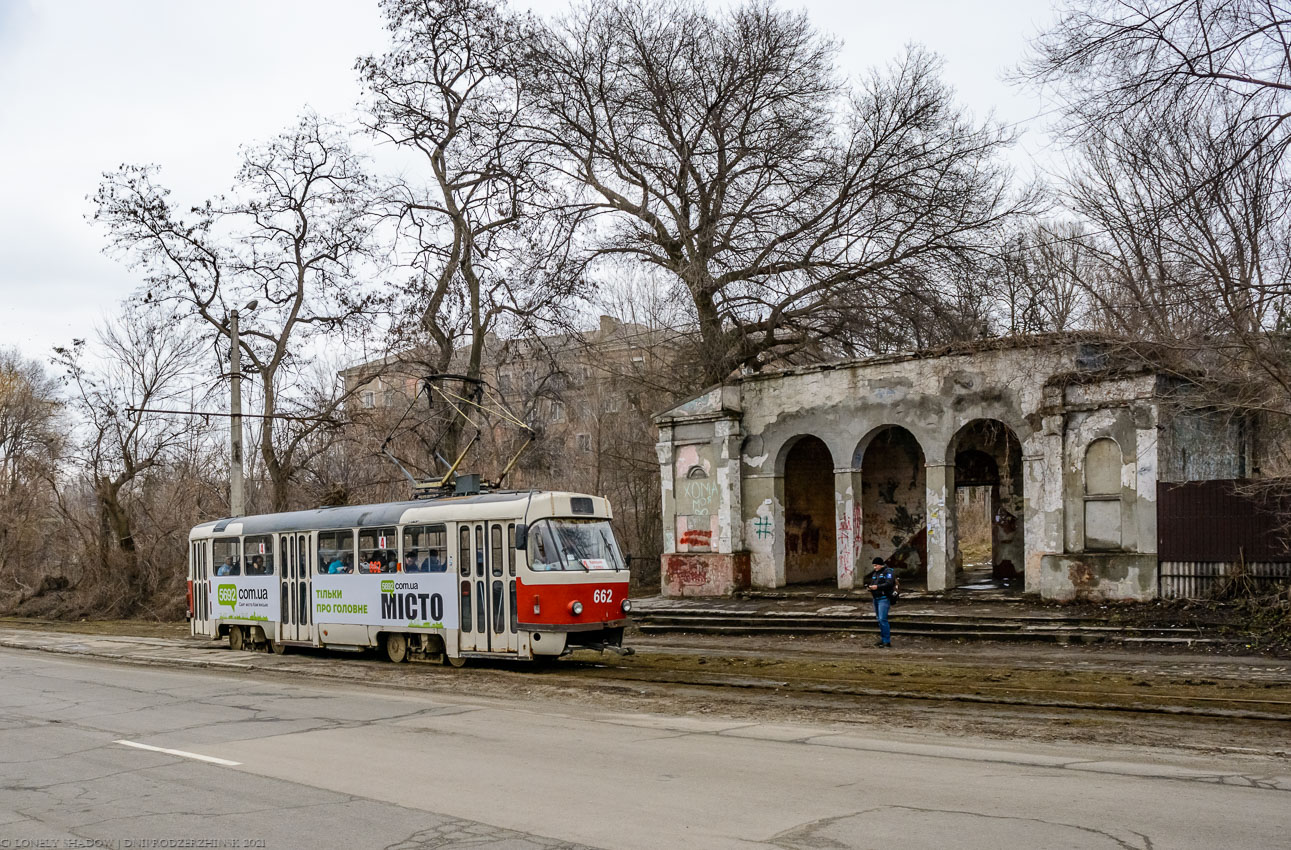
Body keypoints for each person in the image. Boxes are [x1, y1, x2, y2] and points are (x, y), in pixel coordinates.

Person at [864, 556, 897, 648]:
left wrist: (877, 587)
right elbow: (873, 583)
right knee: (879, 619)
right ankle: (883, 639)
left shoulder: (888, 571)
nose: (875, 567)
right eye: (874, 566)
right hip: (876, 597)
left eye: (876, 565)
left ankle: (887, 640)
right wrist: (870, 588)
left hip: (884, 598)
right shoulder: (875, 573)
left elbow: (889, 583)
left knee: (883, 619)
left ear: (881, 564)